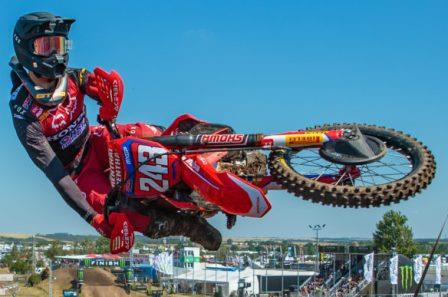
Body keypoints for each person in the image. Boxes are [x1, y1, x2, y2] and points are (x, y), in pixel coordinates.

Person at [9, 12, 221, 252]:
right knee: (120, 213)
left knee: (142, 134)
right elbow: (57, 174)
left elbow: (97, 84)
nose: (55, 54)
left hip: (96, 139)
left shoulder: (71, 77)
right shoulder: (23, 111)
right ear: (26, 50)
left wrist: (109, 99)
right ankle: (189, 226)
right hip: (78, 174)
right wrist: (92, 217)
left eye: (59, 44)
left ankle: (201, 141)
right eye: (46, 46)